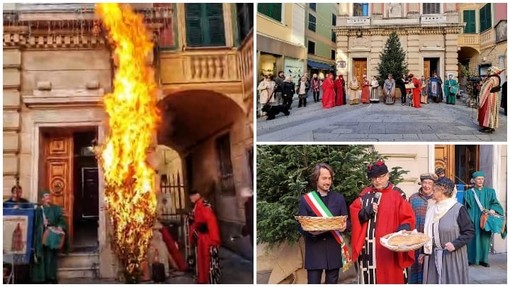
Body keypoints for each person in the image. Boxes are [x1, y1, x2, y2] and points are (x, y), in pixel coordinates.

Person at [349, 160, 416, 284]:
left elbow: (408, 217)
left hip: (390, 250)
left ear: (388, 175)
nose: (377, 181)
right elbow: (354, 214)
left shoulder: (398, 194)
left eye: (381, 177)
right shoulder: (365, 194)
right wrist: (367, 211)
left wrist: (401, 232)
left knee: (392, 277)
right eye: (374, 178)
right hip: (369, 250)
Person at [298, 163, 351, 284]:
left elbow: (347, 221)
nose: (327, 182)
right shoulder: (306, 200)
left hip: (333, 249)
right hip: (315, 250)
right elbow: (300, 227)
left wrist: (345, 226)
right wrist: (310, 232)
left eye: (329, 178)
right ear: (316, 179)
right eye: (324, 178)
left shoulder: (339, 198)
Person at [422, 178, 475, 284]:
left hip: (452, 256)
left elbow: (469, 231)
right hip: (434, 256)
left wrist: (455, 244)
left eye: (434, 189)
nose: (432, 192)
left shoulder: (458, 209)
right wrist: (423, 252)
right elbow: (428, 233)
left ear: (443, 190)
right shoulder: (432, 208)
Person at [463, 171, 505, 267]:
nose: (480, 180)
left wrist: (493, 210)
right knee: (472, 239)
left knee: (485, 239)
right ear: (473, 180)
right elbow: (465, 206)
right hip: (472, 218)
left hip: (486, 219)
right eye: (478, 179)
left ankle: (484, 260)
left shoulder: (490, 192)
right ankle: (471, 259)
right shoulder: (468, 192)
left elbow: (495, 203)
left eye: (482, 179)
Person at [31, 192, 68, 284]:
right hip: (41, 235)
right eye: (46, 196)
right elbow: (34, 224)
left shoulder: (55, 209)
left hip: (51, 236)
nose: (48, 198)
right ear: (42, 199)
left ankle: (51, 277)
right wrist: (42, 223)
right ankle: (40, 278)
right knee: (40, 256)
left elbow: (61, 221)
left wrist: (60, 226)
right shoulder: (38, 210)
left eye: (49, 196)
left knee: (51, 257)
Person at [408, 173, 437, 284]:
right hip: (416, 238)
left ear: (434, 185)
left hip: (431, 239)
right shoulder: (413, 198)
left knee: (430, 266)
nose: (427, 186)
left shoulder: (437, 198)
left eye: (430, 183)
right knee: (415, 266)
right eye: (425, 182)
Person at [188, 189, 221, 283]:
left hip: (207, 237)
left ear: (196, 195)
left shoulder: (203, 204)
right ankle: (203, 279)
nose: (190, 199)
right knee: (201, 259)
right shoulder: (199, 204)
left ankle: (208, 280)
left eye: (191, 197)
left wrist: (214, 239)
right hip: (202, 236)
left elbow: (211, 221)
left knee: (207, 259)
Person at [478, 66, 504, 133]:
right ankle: (492, 126)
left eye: (489, 71)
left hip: (488, 96)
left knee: (487, 110)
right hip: (494, 96)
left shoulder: (491, 79)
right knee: (492, 111)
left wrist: (480, 88)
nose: (488, 72)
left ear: (492, 71)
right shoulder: (497, 78)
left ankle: (487, 126)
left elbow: (485, 89)